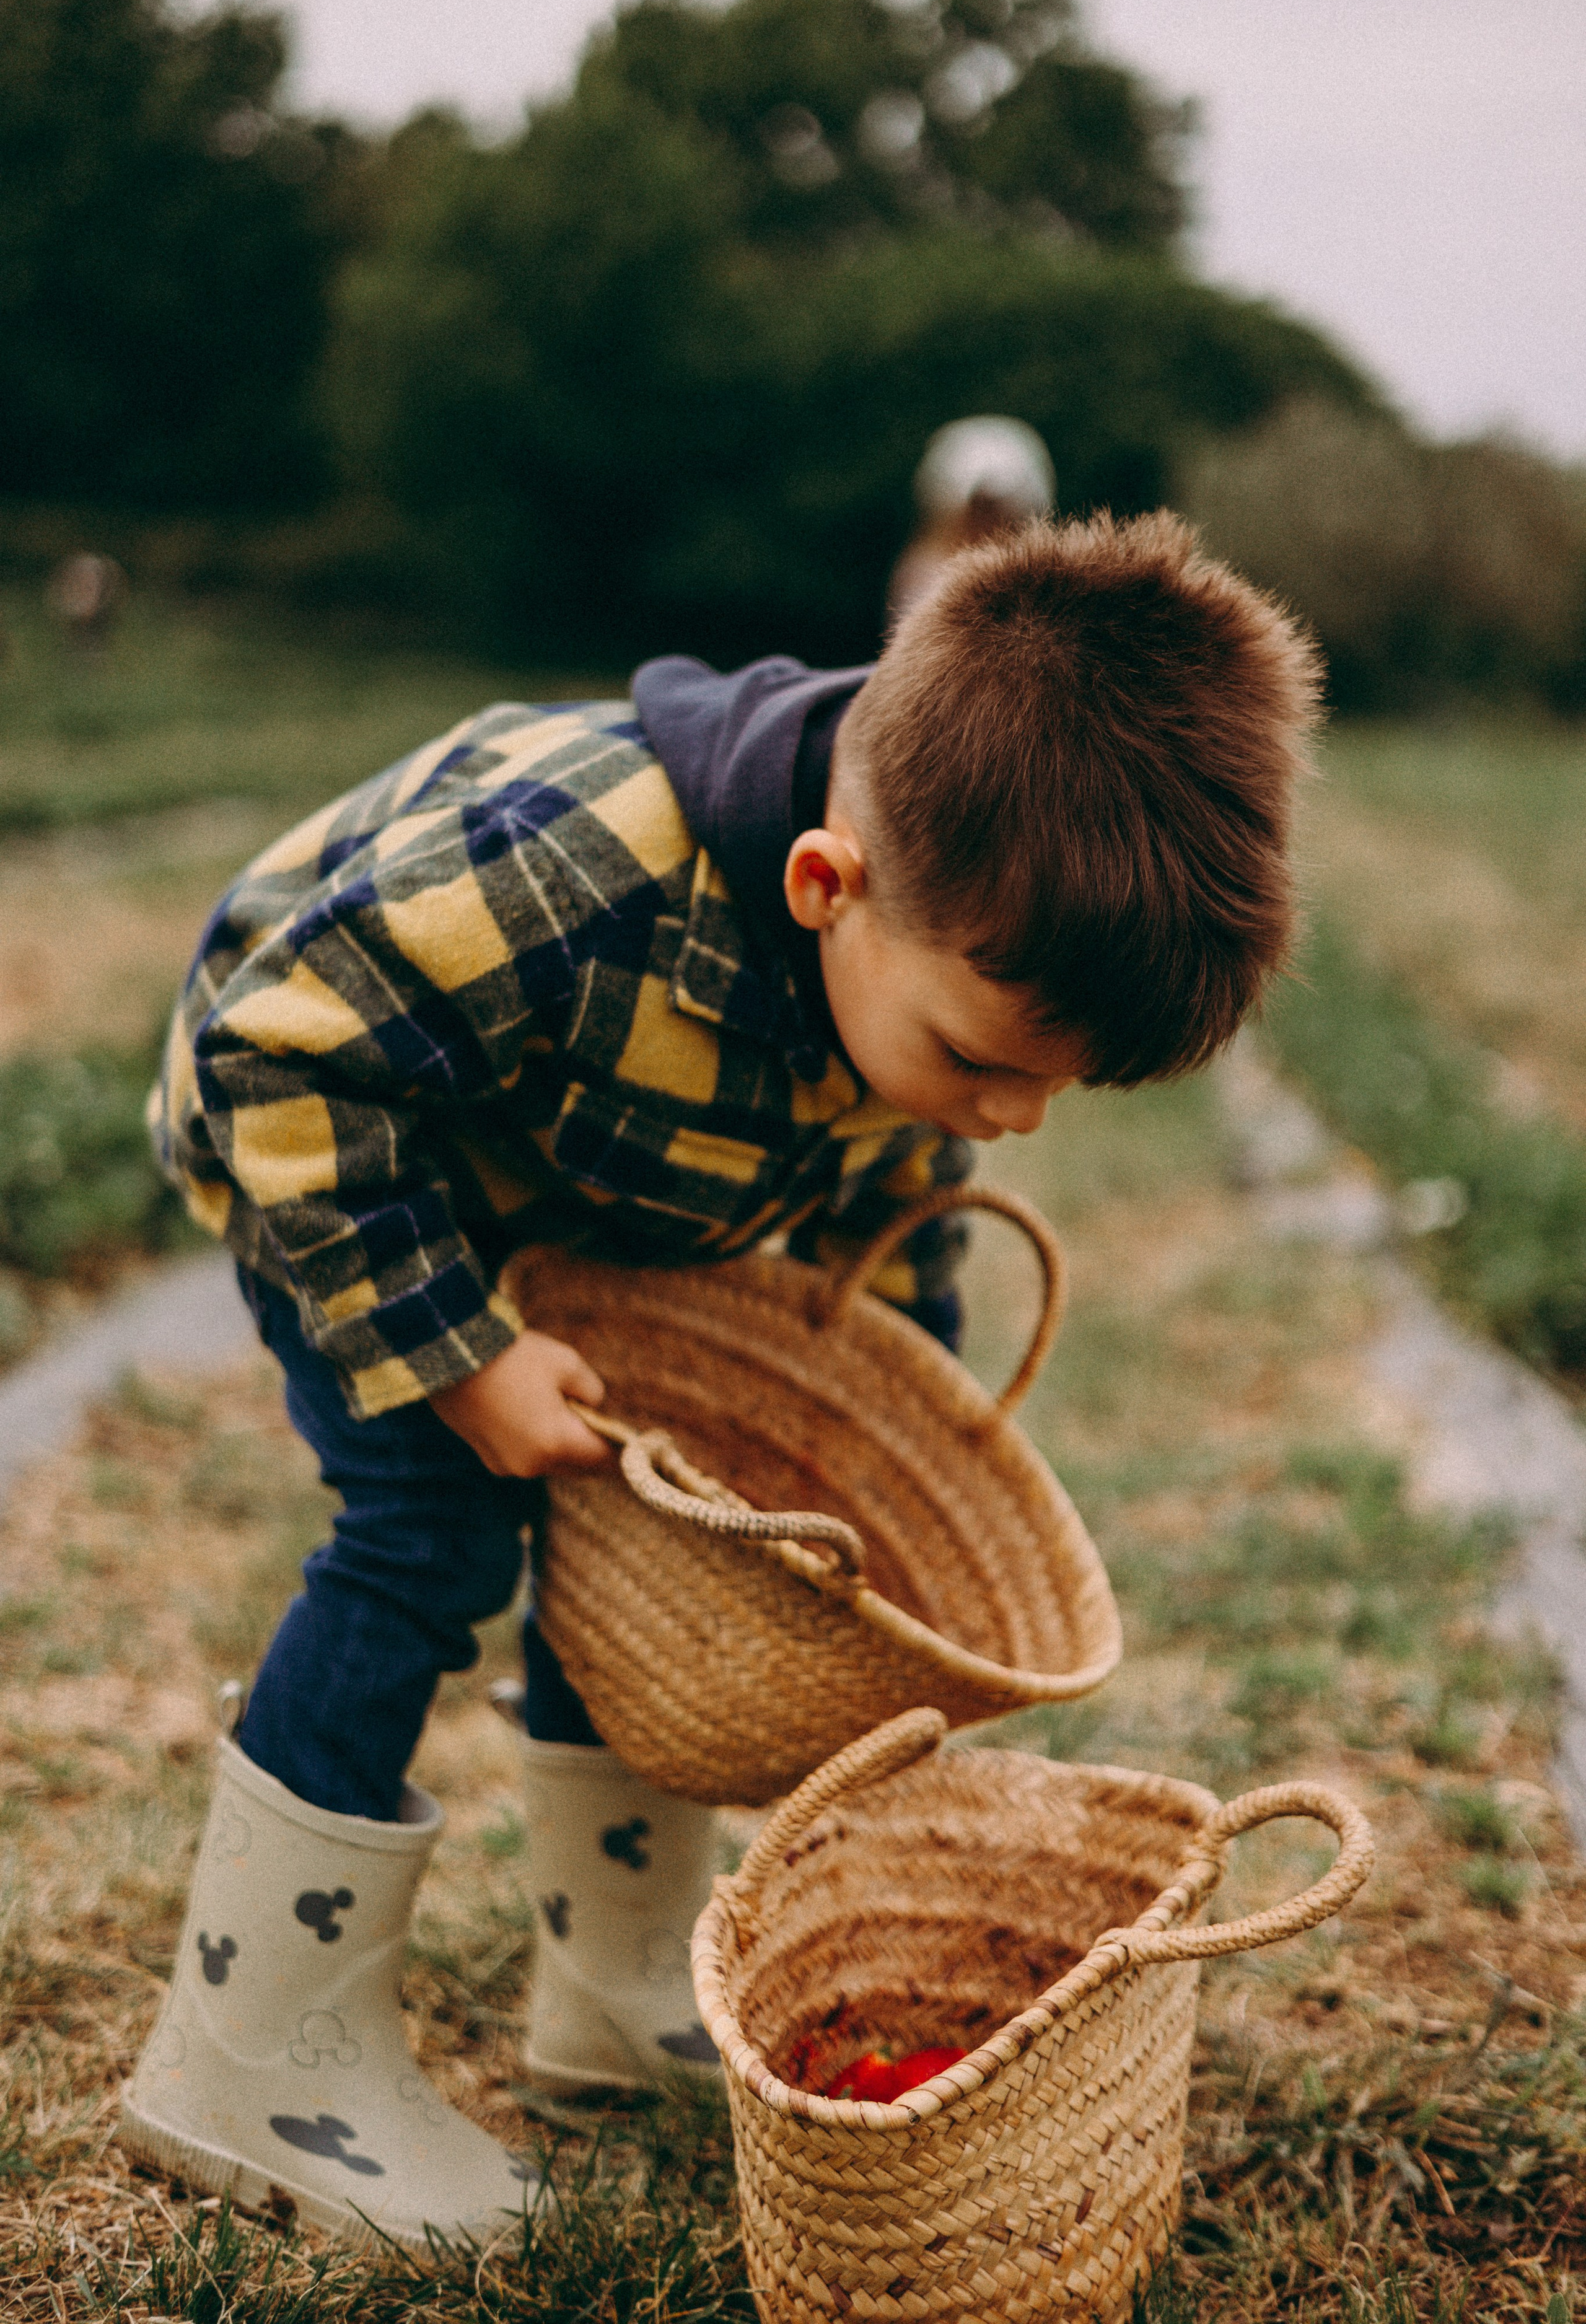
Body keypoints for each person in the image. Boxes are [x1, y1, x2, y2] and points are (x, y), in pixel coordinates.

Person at [122, 508, 1320, 2241]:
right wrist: (461, 1356)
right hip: (354, 1161)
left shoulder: (911, 954)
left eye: (1055, 1092)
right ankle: (247, 2056)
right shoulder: (573, 869)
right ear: (825, 887)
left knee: (656, 1535)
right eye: (982, 1064)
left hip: (592, 1192)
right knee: (427, 1531)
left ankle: (609, 1989)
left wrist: (878, 1473)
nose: (1007, 1120)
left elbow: (882, 1247)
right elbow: (281, 1052)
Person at [887, 415, 1056, 623]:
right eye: (978, 509)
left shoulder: (1046, 581)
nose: (986, 525)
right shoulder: (922, 581)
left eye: (996, 511)